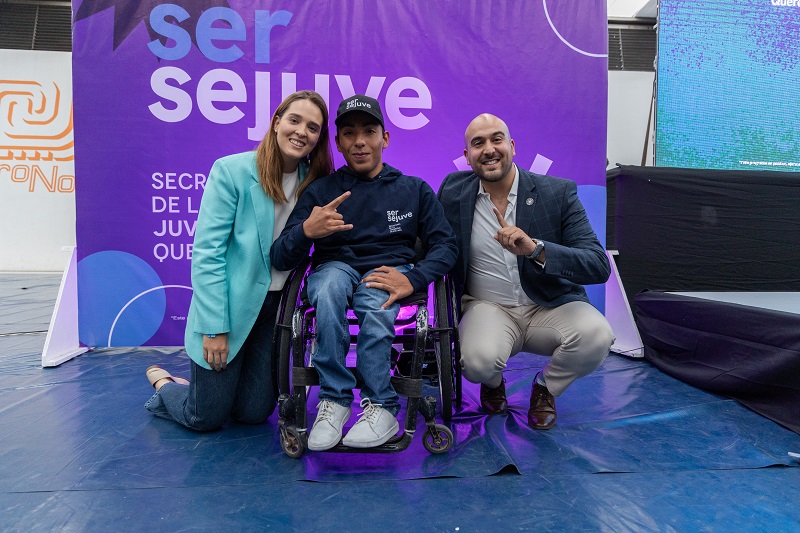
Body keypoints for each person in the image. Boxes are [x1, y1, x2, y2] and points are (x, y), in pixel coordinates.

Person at [271, 95, 457, 450]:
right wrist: (306, 231)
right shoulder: (320, 190)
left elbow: (446, 247)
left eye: (369, 132)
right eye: (349, 133)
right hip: (334, 266)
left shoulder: (414, 189)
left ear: (384, 138)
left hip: (390, 269)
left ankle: (382, 407)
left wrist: (413, 278)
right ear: (338, 141)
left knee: (375, 299)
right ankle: (335, 400)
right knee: (325, 290)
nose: (359, 141)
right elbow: (280, 255)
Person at [144, 91, 334, 431]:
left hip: (276, 308)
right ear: (276, 123)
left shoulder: (317, 184)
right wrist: (214, 326)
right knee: (205, 418)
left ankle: (210, 390)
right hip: (229, 307)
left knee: (253, 413)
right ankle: (165, 384)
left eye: (313, 127)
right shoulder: (232, 171)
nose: (302, 131)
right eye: (294, 120)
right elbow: (207, 253)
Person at [437, 113, 615, 430]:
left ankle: (545, 387)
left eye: (496, 139)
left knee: (598, 336)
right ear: (467, 156)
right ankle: (492, 382)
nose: (489, 149)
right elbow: (430, 242)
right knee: (476, 363)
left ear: (512, 146)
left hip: (549, 306)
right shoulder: (453, 192)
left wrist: (535, 248)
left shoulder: (557, 193)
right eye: (478, 143)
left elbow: (597, 265)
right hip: (487, 307)